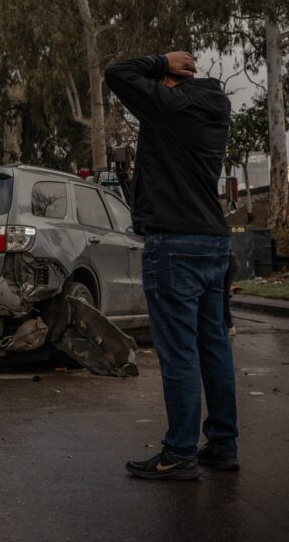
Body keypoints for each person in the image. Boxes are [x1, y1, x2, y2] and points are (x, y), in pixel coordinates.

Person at [105, 51, 239, 480]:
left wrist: (160, 61)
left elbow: (116, 72)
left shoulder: (170, 106)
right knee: (213, 345)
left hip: (174, 243)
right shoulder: (212, 110)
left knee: (179, 352)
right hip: (212, 241)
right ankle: (222, 443)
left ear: (169, 82)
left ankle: (179, 452)